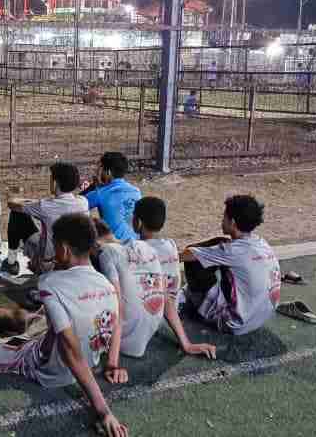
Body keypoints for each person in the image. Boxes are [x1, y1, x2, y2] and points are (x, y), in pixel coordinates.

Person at [0, 214, 130, 437]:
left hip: (42, 364)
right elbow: (114, 322)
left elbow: (71, 351)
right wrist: (112, 364)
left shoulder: (51, 283)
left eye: (55, 246)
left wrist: (104, 411)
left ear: (64, 249)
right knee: (26, 319)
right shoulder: (108, 286)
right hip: (56, 342)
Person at [95, 198, 216, 359]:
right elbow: (165, 295)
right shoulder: (171, 245)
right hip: (165, 313)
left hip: (141, 322)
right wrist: (186, 343)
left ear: (137, 222)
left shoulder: (133, 251)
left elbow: (120, 301)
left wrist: (113, 362)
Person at [180, 195, 282, 335]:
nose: (222, 221)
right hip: (261, 317)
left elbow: (186, 255)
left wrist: (160, 257)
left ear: (233, 222)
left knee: (195, 260)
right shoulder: (262, 243)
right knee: (221, 253)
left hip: (235, 324)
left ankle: (194, 302)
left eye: (224, 217)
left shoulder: (232, 251)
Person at [3, 162, 88, 275]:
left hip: (48, 263)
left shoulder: (45, 206)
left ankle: (11, 262)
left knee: (16, 213)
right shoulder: (83, 202)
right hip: (75, 261)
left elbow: (12, 204)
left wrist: (31, 201)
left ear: (55, 183)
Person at [82, 152, 141, 242]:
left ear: (108, 172)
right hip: (136, 243)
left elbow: (76, 204)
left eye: (100, 167)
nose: (97, 170)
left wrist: (93, 186)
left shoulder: (101, 193)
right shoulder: (136, 191)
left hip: (115, 246)